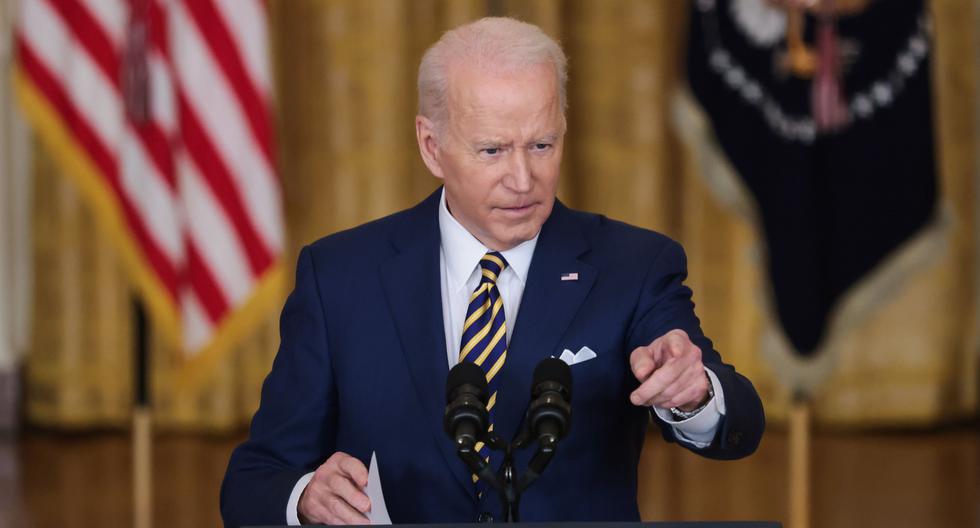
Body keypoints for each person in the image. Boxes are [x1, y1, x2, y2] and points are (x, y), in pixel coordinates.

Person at [220, 17, 764, 527]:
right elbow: (253, 480)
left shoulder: (634, 266)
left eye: (542, 145)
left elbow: (739, 423)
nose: (523, 179)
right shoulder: (340, 276)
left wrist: (695, 395)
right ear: (432, 147)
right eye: (492, 150)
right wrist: (304, 498)